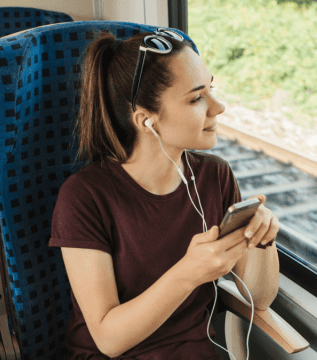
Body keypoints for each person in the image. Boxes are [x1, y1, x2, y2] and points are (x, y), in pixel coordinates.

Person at [49, 28, 280, 360]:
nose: (219, 107)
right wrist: (188, 273)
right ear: (146, 120)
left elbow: (258, 297)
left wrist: (262, 240)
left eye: (210, 89)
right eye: (197, 97)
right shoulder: (85, 197)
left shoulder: (215, 176)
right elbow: (108, 339)